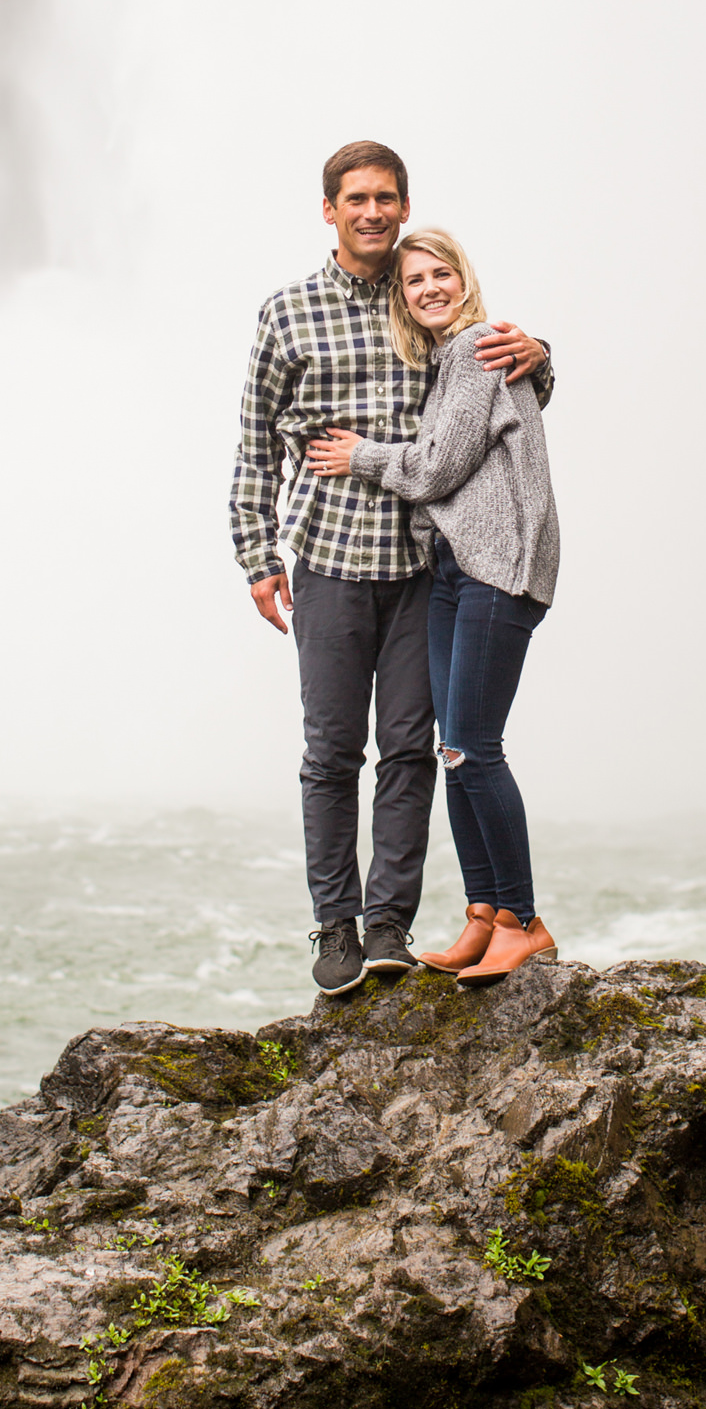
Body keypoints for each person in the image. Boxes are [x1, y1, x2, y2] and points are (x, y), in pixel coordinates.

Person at [230, 142, 552, 996]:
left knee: (413, 751)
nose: (372, 211)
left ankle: (388, 927)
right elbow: (256, 445)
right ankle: (336, 926)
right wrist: (257, 555)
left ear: (404, 207)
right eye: (356, 199)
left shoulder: (424, 303)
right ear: (329, 211)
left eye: (386, 198)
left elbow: (497, 387)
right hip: (329, 559)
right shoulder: (287, 313)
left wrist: (539, 351)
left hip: (422, 564)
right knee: (332, 753)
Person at [308, 227, 559, 985]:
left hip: (495, 568)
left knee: (475, 748)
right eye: (413, 281)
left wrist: (359, 457)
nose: (428, 289)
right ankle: (484, 914)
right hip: (452, 569)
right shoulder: (451, 359)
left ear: (463, 278)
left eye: (439, 273)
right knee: (454, 751)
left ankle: (522, 921)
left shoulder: (479, 346)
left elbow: (439, 467)